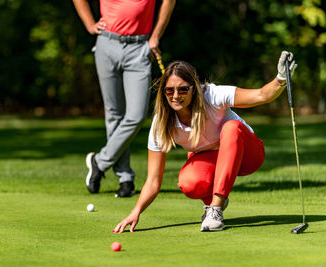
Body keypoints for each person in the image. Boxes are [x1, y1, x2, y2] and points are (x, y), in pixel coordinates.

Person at [113, 51, 297, 232]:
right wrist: (135, 212)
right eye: (169, 90)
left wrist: (281, 78)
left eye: (183, 89)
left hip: (249, 154)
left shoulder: (212, 95)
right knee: (189, 182)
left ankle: (216, 209)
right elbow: (153, 181)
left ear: (195, 88)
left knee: (231, 127)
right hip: (214, 160)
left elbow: (261, 95)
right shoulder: (161, 123)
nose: (175, 96)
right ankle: (215, 202)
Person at [72, 0, 176, 197]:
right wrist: (89, 24)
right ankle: (125, 177)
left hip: (139, 48)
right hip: (107, 43)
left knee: (136, 115)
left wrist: (155, 37)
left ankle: (100, 162)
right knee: (114, 114)